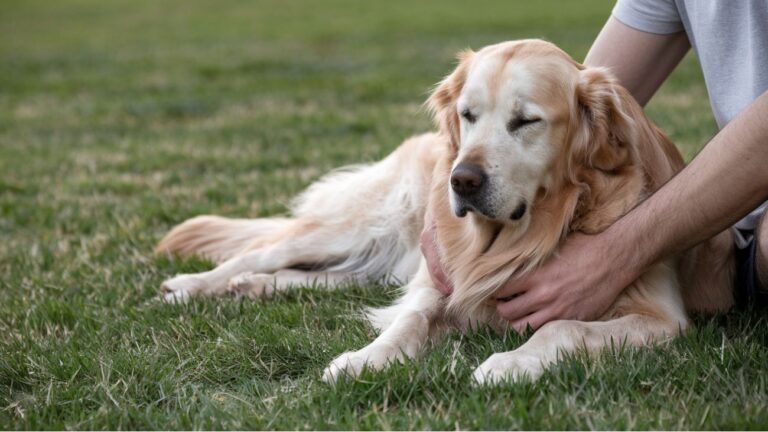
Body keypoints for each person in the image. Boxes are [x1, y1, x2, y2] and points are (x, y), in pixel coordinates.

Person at [421, 0, 768, 332]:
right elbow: (573, 96)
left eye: (524, 120)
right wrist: (436, 212)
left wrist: (615, 255)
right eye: (468, 114)